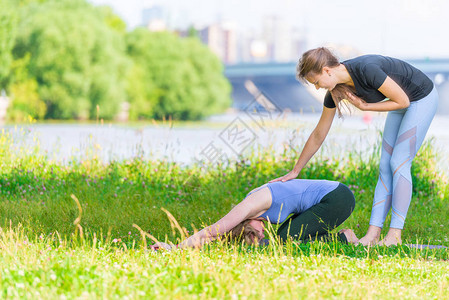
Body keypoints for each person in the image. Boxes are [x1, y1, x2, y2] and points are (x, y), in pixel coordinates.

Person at [270, 47, 438, 246]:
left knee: (399, 162)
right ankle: (373, 234)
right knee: (385, 165)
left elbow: (402, 101)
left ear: (327, 71)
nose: (317, 87)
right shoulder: (335, 92)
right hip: (401, 102)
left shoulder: (367, 69)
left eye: (316, 82)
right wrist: (295, 170)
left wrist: (365, 107)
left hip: (421, 97)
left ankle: (394, 236)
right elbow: (318, 134)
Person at [151, 179, 357, 250]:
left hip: (338, 198)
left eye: (256, 234)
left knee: (284, 239)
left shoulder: (248, 206)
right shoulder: (255, 207)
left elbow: (212, 232)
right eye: (259, 234)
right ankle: (340, 238)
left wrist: (175, 248)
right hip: (331, 196)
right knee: (283, 238)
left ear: (246, 224)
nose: (263, 231)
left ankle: (345, 238)